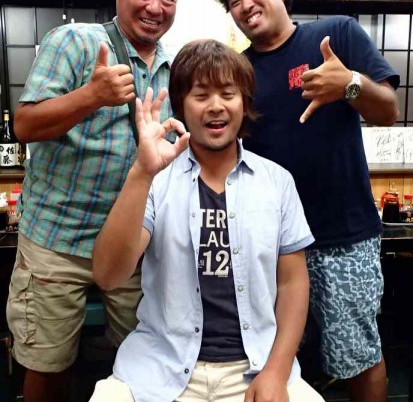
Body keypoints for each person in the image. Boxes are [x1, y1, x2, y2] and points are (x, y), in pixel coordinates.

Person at [212, 0, 400, 402]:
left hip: (342, 237)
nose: (245, 5)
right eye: (234, 1)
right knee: (271, 358)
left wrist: (349, 84)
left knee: (356, 356)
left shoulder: (336, 35)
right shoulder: (240, 71)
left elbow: (388, 111)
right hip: (270, 243)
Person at [89, 39, 325, 402]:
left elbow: (293, 284)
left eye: (228, 94)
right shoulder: (155, 181)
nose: (216, 106)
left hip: (256, 367)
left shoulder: (277, 182)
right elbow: (108, 275)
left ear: (244, 103)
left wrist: (276, 373)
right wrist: (141, 172)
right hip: (160, 367)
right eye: (201, 95)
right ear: (181, 105)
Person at [6, 0, 186, 402]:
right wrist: (91, 96)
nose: (156, 7)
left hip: (133, 247)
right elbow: (24, 125)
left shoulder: (174, 68)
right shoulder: (75, 42)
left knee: (144, 362)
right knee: (47, 366)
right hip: (57, 242)